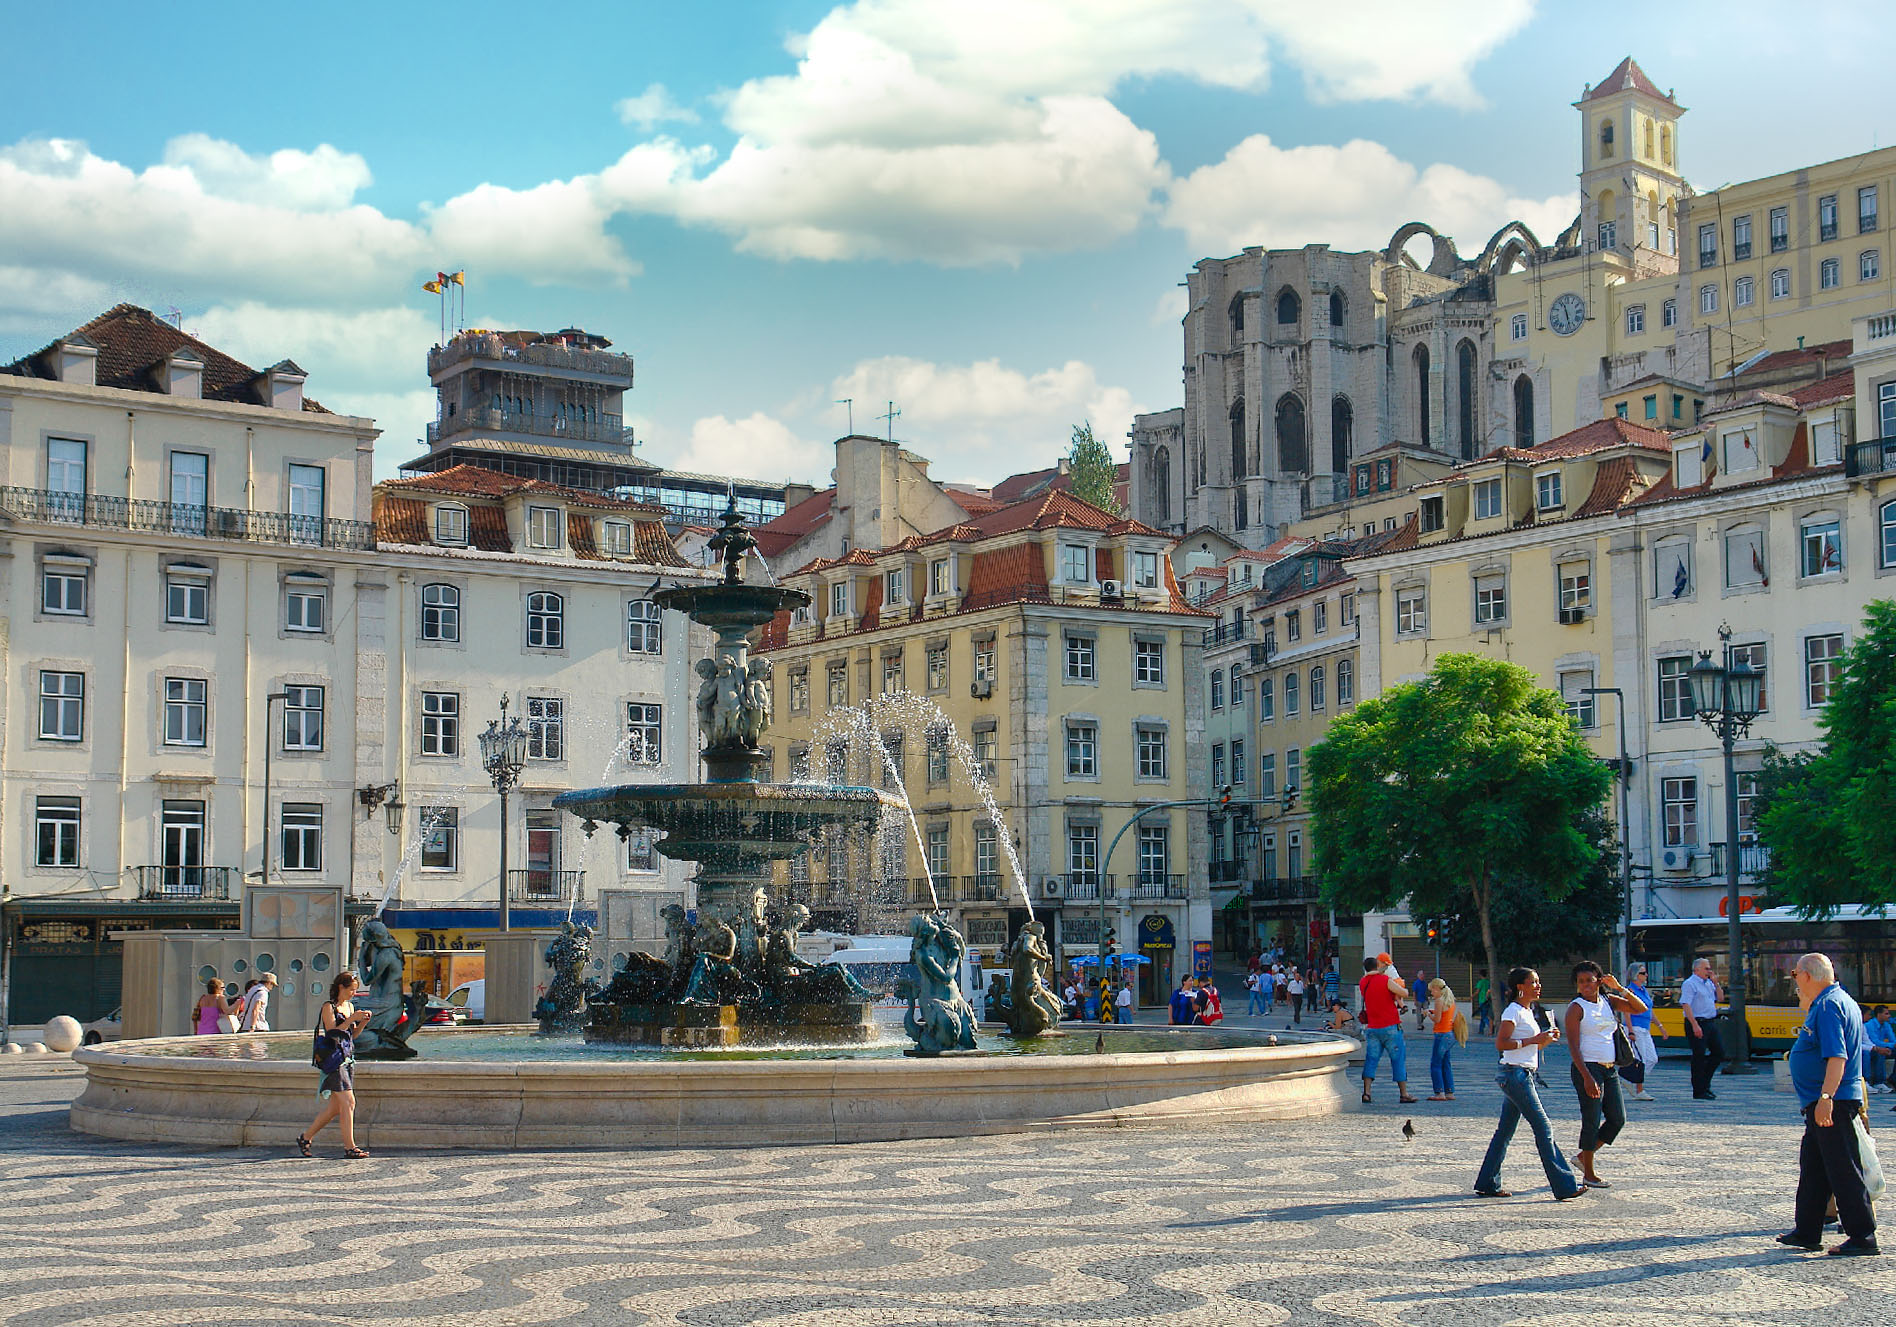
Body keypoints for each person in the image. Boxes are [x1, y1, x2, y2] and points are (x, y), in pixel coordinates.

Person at [1778, 952, 1877, 1256]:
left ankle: (1863, 1236)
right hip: (1824, 1101)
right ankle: (1807, 1230)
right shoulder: (1834, 1000)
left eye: (1795, 975)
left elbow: (1838, 1056)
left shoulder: (1829, 1006)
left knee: (1843, 1168)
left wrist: (1825, 1099)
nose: (1794, 981)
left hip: (1833, 1101)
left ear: (1807, 975)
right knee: (1814, 1166)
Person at [1475, 967, 1587, 1201]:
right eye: (1533, 982)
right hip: (1515, 1076)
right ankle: (1565, 1185)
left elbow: (1528, 1047)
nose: (1538, 986)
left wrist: (1544, 1040)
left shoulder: (1527, 1011)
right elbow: (1501, 1043)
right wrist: (1534, 1039)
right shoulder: (1513, 1012)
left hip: (1520, 1073)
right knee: (1543, 1128)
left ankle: (1487, 1182)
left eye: (1538, 981)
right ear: (1520, 987)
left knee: (1504, 1132)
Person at [1562, 961, 1646, 1188]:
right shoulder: (1576, 1008)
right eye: (1581, 982)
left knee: (1617, 1119)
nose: (1586, 985)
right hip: (1588, 1068)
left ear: (1599, 980)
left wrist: (1619, 987)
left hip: (1609, 1069)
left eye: (1590, 980)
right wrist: (1587, 1077)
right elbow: (1573, 1046)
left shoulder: (1608, 1001)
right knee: (1591, 1119)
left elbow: (1641, 1009)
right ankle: (1588, 1173)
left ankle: (1582, 1157)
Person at [297, 972, 374, 1159]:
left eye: (355, 990)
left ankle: (305, 1137)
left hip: (347, 1058)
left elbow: (351, 1035)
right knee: (349, 1102)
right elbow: (332, 1032)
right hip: (333, 1060)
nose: (353, 994)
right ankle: (350, 1147)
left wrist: (362, 1023)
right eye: (351, 990)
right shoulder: (328, 1007)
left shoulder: (349, 1006)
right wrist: (350, 1019)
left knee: (335, 1108)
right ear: (341, 987)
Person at [1358, 954, 1416, 1105]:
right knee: (1397, 1059)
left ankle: (1367, 1092)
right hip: (1390, 1025)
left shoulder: (1363, 982)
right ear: (1378, 966)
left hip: (1372, 1027)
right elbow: (1404, 993)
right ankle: (1404, 1093)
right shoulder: (1385, 980)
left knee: (1371, 1059)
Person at [1679, 957, 1724, 1100]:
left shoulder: (1709, 983)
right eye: (1706, 968)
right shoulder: (1690, 983)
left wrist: (1716, 984)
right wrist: (1694, 1025)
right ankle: (1699, 1090)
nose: (1709, 971)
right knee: (1699, 1056)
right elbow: (1686, 1004)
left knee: (1719, 1052)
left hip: (1710, 1022)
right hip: (1697, 1021)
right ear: (1696, 970)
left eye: (1710, 968)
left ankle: (1705, 1083)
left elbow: (1721, 998)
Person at [1623, 965, 1662, 1101]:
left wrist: (1660, 1026)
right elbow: (1626, 1011)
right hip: (1635, 1027)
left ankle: (1629, 1078)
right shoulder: (1630, 991)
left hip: (1645, 1029)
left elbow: (1649, 1011)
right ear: (1635, 975)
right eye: (1643, 973)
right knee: (1642, 1059)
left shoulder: (1643, 990)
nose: (1646, 976)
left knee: (1652, 1059)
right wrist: (1631, 1030)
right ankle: (1639, 1089)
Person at [1426, 977, 1458, 1101]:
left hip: (1441, 1034)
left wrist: (1429, 1014)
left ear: (1437, 989)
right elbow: (1444, 1014)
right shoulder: (1449, 1000)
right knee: (1446, 1064)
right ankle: (1449, 1091)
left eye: (1432, 990)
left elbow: (1437, 1019)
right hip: (1449, 1034)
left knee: (1436, 1064)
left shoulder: (1439, 1001)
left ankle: (1439, 1092)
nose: (1432, 993)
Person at [1863, 1006, 1895, 1093]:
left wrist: (1890, 1046)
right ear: (1879, 1014)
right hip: (1865, 1049)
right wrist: (1878, 1048)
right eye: (1886, 1014)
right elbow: (1874, 1041)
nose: (1889, 1016)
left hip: (1874, 1047)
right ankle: (1868, 1081)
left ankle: (1891, 1079)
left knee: (1881, 1051)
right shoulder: (1868, 1025)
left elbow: (1868, 1041)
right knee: (1870, 1053)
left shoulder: (1886, 1025)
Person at [1474, 972, 1492, 1037]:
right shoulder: (1488, 982)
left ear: (1480, 975)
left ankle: (1491, 1027)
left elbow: (1477, 991)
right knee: (1483, 1015)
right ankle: (1481, 1030)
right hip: (1488, 1000)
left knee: (1484, 1016)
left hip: (1482, 1000)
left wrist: (1472, 996)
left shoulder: (1480, 982)